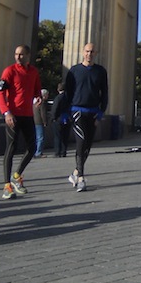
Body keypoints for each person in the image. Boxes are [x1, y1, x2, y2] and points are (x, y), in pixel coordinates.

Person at [0, 44, 42, 199]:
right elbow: (0, 93)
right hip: (13, 115)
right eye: (16, 54)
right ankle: (6, 185)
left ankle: (17, 175)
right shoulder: (9, 71)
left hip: (28, 115)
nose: (18, 57)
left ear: (28, 56)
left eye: (21, 55)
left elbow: (37, 89)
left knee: (32, 147)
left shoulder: (34, 72)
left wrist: (39, 97)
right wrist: (6, 112)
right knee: (11, 147)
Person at [63, 43, 109, 192]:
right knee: (81, 142)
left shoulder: (100, 71)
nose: (89, 54)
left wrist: (101, 112)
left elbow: (105, 93)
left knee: (88, 145)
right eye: (87, 51)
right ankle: (81, 178)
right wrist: (65, 112)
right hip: (77, 110)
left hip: (93, 112)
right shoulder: (74, 71)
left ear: (95, 53)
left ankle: (75, 172)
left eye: (92, 51)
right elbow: (67, 92)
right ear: (83, 53)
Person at [51, 83, 69, 157]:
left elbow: (55, 109)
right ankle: (63, 151)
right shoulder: (69, 98)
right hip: (67, 118)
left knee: (57, 136)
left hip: (59, 119)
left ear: (58, 89)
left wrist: (53, 118)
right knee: (65, 136)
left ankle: (57, 152)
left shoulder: (58, 98)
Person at [33, 88, 49, 157]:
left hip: (34, 121)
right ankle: (39, 152)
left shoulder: (34, 102)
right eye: (47, 95)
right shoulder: (41, 102)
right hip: (39, 122)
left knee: (37, 138)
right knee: (40, 137)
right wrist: (45, 121)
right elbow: (43, 113)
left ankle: (36, 151)